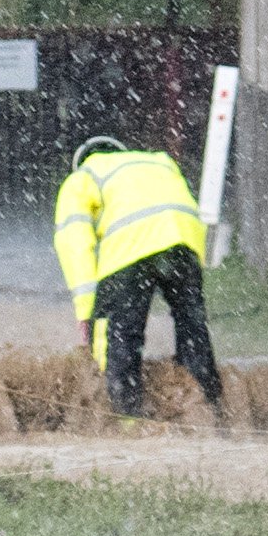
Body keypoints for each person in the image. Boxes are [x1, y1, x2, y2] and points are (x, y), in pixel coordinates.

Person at [52, 135, 220, 419]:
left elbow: (75, 245)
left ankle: (124, 416)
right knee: (192, 326)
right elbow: (183, 206)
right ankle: (206, 408)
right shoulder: (158, 161)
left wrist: (87, 312)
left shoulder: (81, 178)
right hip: (183, 240)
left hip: (131, 248)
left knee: (120, 333)